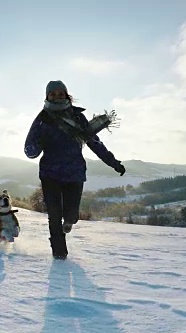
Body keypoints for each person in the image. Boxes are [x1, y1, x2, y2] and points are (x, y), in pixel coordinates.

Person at [24, 80, 125, 260]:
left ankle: (70, 221)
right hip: (50, 174)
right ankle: (59, 254)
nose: (56, 97)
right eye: (52, 94)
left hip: (74, 173)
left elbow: (94, 142)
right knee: (54, 216)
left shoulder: (77, 117)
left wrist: (113, 162)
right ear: (47, 96)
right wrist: (38, 144)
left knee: (71, 214)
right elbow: (29, 150)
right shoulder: (43, 118)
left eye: (60, 93)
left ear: (67, 95)